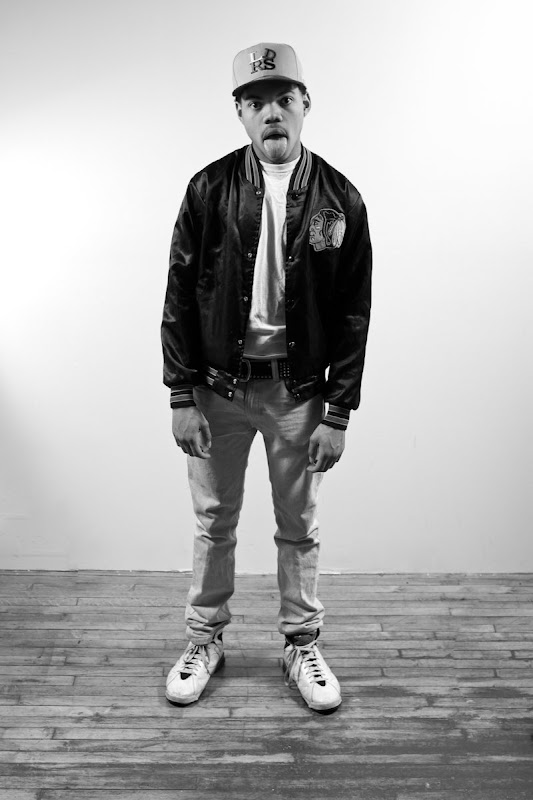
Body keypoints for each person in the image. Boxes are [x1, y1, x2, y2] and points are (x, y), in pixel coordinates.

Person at [161, 42, 372, 713]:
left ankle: (301, 643)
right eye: (255, 102)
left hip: (298, 393)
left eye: (283, 98)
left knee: (298, 525)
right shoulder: (208, 189)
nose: (271, 112)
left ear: (305, 104)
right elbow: (178, 295)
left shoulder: (340, 198)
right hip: (216, 389)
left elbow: (354, 313)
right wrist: (181, 393)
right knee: (213, 521)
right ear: (239, 113)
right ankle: (203, 640)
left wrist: (338, 412)